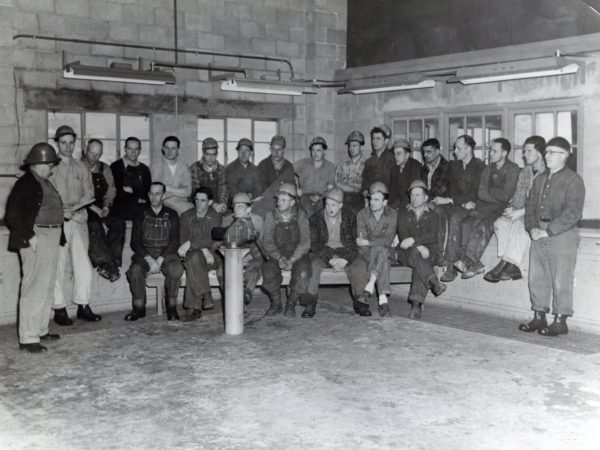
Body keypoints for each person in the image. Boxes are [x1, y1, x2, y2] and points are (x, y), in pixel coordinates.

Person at [519, 137, 585, 337]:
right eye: (546, 152)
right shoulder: (540, 179)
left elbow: (573, 213)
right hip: (538, 232)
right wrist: (532, 229)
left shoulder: (573, 180)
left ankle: (560, 321)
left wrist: (548, 231)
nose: (545, 156)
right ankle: (539, 317)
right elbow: (529, 208)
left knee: (560, 279)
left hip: (562, 234)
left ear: (564, 156)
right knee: (537, 277)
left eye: (551, 152)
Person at [5, 143, 64, 352]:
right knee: (34, 287)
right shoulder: (26, 183)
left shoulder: (43, 181)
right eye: (50, 164)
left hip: (50, 235)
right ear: (39, 164)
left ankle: (40, 330)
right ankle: (28, 338)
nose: (52, 168)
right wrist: (30, 236)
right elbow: (12, 214)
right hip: (37, 237)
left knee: (47, 286)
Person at [50, 125, 102, 325]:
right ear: (57, 143)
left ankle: (83, 305)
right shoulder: (51, 167)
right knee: (58, 266)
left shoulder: (81, 167)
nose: (68, 147)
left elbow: (89, 194)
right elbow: (47, 194)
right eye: (63, 143)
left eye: (71, 143)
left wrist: (75, 209)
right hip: (58, 221)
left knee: (83, 266)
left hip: (79, 219)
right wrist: (62, 211)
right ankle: (60, 308)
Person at [450, 138, 520, 279]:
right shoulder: (488, 169)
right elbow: (481, 193)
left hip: (500, 209)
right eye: (490, 151)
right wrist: (497, 194)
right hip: (485, 205)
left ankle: (468, 260)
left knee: (485, 225)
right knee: (466, 223)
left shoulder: (513, 169)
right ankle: (474, 264)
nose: (490, 154)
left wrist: (491, 192)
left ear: (504, 153)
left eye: (494, 151)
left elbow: (507, 196)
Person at [485, 136, 547, 282]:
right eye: (524, 150)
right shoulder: (525, 171)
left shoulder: (548, 172)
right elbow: (519, 196)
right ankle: (509, 265)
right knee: (500, 222)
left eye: (528, 151)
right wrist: (512, 209)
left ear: (539, 153)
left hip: (540, 215)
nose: (524, 154)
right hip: (523, 212)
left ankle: (507, 264)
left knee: (520, 224)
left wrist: (521, 212)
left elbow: (543, 203)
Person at [307, 187, 371, 318]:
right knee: (313, 265)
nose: (329, 208)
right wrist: (330, 258)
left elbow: (354, 243)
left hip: (345, 250)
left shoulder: (350, 217)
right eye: (327, 204)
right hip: (323, 251)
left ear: (341, 205)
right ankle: (310, 303)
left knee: (360, 265)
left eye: (334, 205)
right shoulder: (315, 218)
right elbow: (314, 244)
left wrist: (345, 259)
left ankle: (361, 304)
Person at [125, 182, 183, 321]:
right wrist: (149, 258)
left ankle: (171, 307)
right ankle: (138, 308)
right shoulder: (140, 214)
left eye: (158, 194)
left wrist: (161, 258)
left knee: (175, 269)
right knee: (135, 271)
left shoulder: (172, 214)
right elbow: (135, 242)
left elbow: (175, 241)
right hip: (145, 253)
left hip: (167, 254)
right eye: (151, 193)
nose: (154, 197)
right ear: (148, 195)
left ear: (163, 195)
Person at [396, 180, 447, 319]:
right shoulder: (403, 214)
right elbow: (404, 237)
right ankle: (433, 282)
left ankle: (415, 305)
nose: (414, 198)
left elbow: (432, 235)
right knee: (417, 255)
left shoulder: (433, 215)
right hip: (407, 252)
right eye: (412, 195)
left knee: (421, 262)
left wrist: (415, 241)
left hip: (428, 251)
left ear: (425, 198)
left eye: (418, 195)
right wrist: (417, 244)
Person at [438, 135, 485, 282]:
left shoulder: (479, 166)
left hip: (472, 207)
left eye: (458, 148)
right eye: (455, 148)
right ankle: (438, 253)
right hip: (458, 204)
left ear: (469, 149)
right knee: (437, 211)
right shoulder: (454, 166)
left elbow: (476, 193)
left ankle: (451, 265)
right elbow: (451, 189)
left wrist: (458, 201)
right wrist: (456, 201)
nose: (455, 151)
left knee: (456, 218)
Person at [261, 183, 312, 317]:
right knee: (268, 271)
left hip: (297, 254)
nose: (279, 203)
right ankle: (276, 304)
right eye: (278, 199)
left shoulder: (300, 215)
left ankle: (291, 304)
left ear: (292, 202)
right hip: (277, 253)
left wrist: (293, 259)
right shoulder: (271, 215)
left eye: (284, 200)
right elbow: (267, 241)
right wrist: (278, 258)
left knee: (304, 272)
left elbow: (305, 242)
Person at [177, 187, 224, 321]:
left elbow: (212, 239)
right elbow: (182, 241)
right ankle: (206, 293)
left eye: (203, 201)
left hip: (211, 256)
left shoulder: (215, 216)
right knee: (195, 258)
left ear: (210, 202)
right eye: (196, 200)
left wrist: (193, 245)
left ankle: (194, 309)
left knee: (195, 260)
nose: (198, 203)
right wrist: (203, 249)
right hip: (192, 255)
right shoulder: (186, 216)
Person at [83, 139, 124, 282]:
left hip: (101, 206)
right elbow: (76, 194)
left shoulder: (105, 169)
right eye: (91, 153)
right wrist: (94, 209)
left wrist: (106, 205)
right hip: (83, 207)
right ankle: (106, 264)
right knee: (94, 225)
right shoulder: (77, 167)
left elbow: (111, 190)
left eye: (97, 154)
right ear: (85, 150)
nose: (94, 157)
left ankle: (113, 262)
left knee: (118, 223)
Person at [356, 182, 398, 317]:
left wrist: (368, 241)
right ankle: (383, 300)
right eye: (370, 199)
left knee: (382, 251)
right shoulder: (362, 214)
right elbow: (360, 242)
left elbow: (389, 239)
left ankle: (370, 286)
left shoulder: (392, 214)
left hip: (382, 250)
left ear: (385, 202)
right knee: (382, 252)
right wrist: (371, 243)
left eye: (376, 200)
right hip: (367, 252)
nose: (372, 203)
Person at [222, 192, 265, 308]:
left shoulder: (257, 221)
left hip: (253, 255)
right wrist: (236, 257)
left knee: (254, 267)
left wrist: (249, 256)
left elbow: (262, 245)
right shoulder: (227, 221)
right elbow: (223, 244)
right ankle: (231, 301)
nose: (236, 209)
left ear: (249, 209)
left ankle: (246, 294)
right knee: (223, 271)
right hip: (233, 255)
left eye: (240, 206)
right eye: (235, 206)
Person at [421, 138, 451, 262]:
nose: (425, 155)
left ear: (437, 151)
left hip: (443, 202)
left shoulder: (446, 167)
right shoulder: (424, 167)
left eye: (429, 152)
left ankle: (439, 253)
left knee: (437, 213)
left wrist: (426, 201)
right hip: (428, 201)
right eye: (424, 152)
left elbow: (441, 190)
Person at [110, 136, 152, 222]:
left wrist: (132, 191)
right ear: (125, 149)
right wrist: (137, 197)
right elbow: (118, 192)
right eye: (130, 149)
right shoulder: (115, 167)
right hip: (120, 207)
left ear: (140, 150)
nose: (133, 152)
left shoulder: (144, 169)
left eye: (136, 149)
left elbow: (146, 192)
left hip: (141, 207)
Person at [253, 135, 295, 218]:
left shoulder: (289, 166)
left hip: (284, 200)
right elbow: (259, 187)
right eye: (273, 149)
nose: (276, 152)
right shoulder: (263, 165)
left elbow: (291, 186)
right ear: (270, 150)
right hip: (266, 201)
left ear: (284, 151)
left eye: (279, 149)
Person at [294, 136, 337, 217]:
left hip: (322, 198)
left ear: (325, 151)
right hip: (305, 197)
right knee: (305, 213)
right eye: (313, 150)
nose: (315, 153)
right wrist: (295, 188)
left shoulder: (330, 167)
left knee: (322, 215)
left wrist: (321, 197)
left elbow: (331, 188)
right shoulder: (303, 163)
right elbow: (288, 170)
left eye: (318, 150)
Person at [151, 135, 193, 215]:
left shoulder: (184, 166)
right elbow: (157, 195)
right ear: (163, 149)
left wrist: (167, 188)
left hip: (182, 203)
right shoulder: (156, 166)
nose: (170, 151)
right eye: (167, 148)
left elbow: (188, 192)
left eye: (173, 148)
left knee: (192, 210)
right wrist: (179, 190)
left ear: (178, 150)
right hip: (163, 205)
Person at [190, 137, 228, 214]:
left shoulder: (221, 169)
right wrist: (213, 204)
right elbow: (196, 191)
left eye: (213, 154)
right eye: (208, 154)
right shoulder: (195, 168)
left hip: (217, 206)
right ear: (203, 153)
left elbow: (223, 188)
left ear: (217, 154)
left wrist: (222, 204)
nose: (211, 158)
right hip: (199, 204)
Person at [335, 130, 368, 214]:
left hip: (359, 197)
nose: (351, 149)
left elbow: (366, 185)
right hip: (344, 195)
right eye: (350, 146)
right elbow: (337, 182)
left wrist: (348, 185)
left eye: (355, 146)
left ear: (361, 147)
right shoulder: (343, 163)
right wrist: (354, 188)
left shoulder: (367, 163)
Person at [225, 138, 264, 206]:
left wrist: (252, 195)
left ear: (251, 153)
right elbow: (231, 189)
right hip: (234, 205)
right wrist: (246, 197)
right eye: (241, 150)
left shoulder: (255, 169)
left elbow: (258, 187)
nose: (243, 153)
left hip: (252, 204)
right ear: (237, 152)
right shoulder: (229, 168)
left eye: (246, 150)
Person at [360, 124, 395, 200]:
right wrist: (367, 197)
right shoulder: (369, 162)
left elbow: (396, 187)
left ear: (386, 141)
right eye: (373, 138)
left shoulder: (393, 160)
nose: (374, 142)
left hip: (388, 202)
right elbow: (364, 186)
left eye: (378, 138)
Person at [388, 139, 423, 211]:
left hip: (413, 203)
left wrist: (399, 208)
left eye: (399, 153)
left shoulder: (415, 166)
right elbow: (392, 192)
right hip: (399, 203)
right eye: (394, 154)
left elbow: (412, 192)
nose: (395, 157)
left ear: (407, 155)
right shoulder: (394, 169)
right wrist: (390, 207)